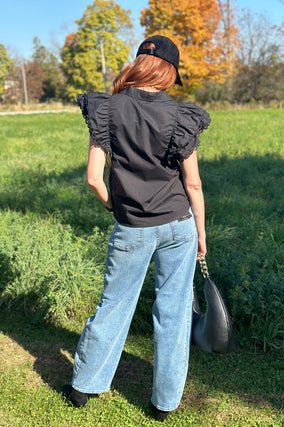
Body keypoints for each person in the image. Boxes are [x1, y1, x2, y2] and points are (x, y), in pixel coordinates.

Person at [63, 35, 211, 422]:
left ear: (138, 64)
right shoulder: (180, 117)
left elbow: (94, 178)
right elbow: (193, 184)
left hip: (132, 227)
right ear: (169, 72)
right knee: (174, 313)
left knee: (114, 304)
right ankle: (164, 404)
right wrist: (202, 233)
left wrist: (116, 204)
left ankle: (84, 387)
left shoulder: (106, 110)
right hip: (180, 225)